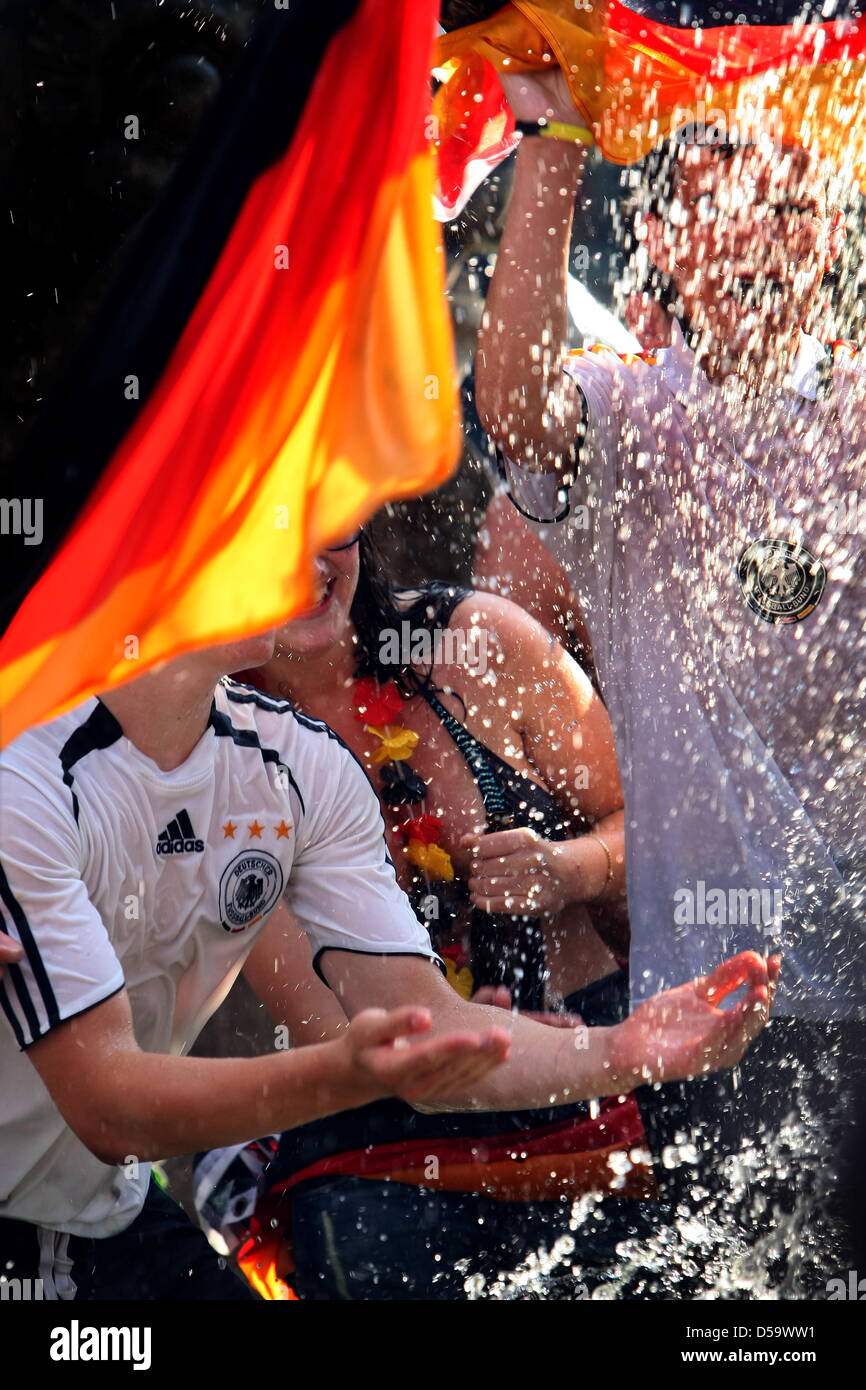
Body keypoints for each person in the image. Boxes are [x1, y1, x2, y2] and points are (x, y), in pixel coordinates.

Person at [0, 604, 772, 1300]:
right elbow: (107, 1105)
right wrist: (349, 1072)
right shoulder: (22, 774)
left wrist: (627, 1048)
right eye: (263, 525)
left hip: (101, 1212)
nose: (303, 558)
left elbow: (422, 1028)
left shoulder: (299, 761)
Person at [474, 65, 866, 1286]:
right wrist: (550, 138)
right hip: (713, 1012)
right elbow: (517, 411)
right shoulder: (626, 414)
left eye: (797, 205)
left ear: (837, 243)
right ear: (658, 236)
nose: (758, 228)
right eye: (720, 194)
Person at [194, 530, 646, 1300]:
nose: (306, 565)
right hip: (380, 1137)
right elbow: (333, 1035)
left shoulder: (479, 641)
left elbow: (642, 832)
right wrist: (476, 1039)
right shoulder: (203, 751)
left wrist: (568, 870)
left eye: (328, 527)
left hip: (582, 1081)